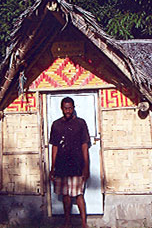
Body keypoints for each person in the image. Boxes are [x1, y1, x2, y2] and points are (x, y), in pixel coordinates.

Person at [49, 97, 90, 228]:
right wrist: (52, 167)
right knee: (66, 196)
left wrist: (86, 167)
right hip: (62, 166)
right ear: (61, 108)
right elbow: (54, 147)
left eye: (70, 108)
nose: (68, 111)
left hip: (77, 165)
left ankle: (84, 223)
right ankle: (67, 223)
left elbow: (84, 146)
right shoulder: (56, 125)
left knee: (79, 195)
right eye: (65, 108)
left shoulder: (80, 123)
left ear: (73, 108)